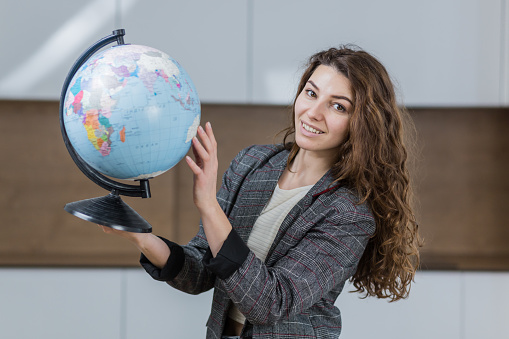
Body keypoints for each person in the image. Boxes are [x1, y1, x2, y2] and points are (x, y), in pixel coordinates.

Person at [100, 45, 421, 339]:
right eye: (311, 93)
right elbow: (201, 271)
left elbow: (270, 302)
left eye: (338, 106)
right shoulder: (252, 163)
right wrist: (142, 237)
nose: (313, 112)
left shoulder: (347, 211)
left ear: (361, 122)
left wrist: (209, 206)